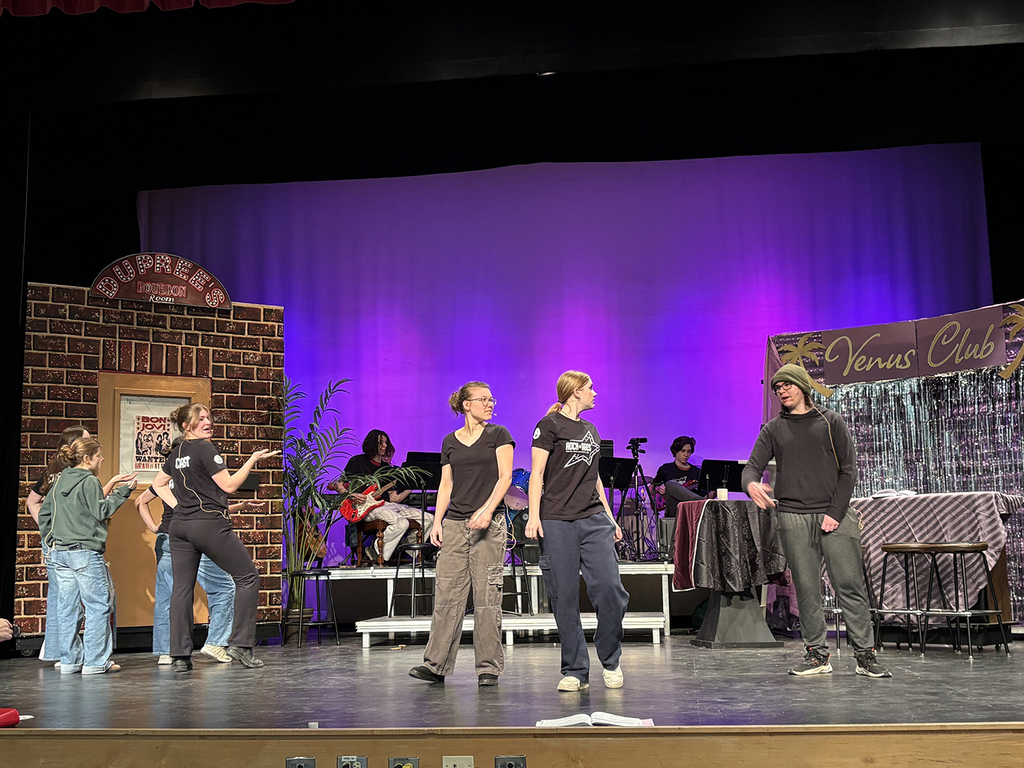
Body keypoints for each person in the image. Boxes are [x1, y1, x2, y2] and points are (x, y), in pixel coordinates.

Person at [741, 363, 890, 678]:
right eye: (777, 388)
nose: (782, 391)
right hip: (793, 516)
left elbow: (848, 469)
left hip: (834, 514)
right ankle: (817, 654)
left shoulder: (829, 421)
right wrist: (751, 484)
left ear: (802, 386)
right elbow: (752, 467)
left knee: (849, 584)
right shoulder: (773, 429)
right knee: (807, 588)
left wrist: (835, 513)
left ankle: (865, 655)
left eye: (787, 385)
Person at [151, 404, 278, 672]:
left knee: (181, 588)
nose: (208, 422)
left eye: (208, 418)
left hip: (179, 527)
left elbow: (158, 484)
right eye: (201, 419)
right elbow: (229, 485)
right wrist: (252, 460)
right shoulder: (205, 449)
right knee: (247, 577)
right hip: (208, 524)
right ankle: (241, 644)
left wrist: (179, 507)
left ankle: (180, 656)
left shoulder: (176, 453)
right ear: (186, 426)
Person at [526, 370, 629, 692]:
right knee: (565, 597)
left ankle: (610, 659)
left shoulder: (591, 430)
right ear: (575, 392)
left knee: (610, 590)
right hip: (557, 520)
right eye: (590, 388)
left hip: (593, 519)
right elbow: (536, 474)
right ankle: (575, 670)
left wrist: (610, 518)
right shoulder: (548, 426)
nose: (595, 393)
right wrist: (534, 515)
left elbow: (594, 478)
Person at [409, 382, 514, 687]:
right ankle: (436, 665)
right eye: (483, 399)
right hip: (455, 525)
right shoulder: (450, 441)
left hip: (489, 525)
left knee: (486, 597)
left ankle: (488, 668)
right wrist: (437, 522)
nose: (490, 404)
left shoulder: (499, 435)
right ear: (467, 404)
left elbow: (505, 477)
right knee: (447, 596)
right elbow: (446, 484)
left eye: (491, 399)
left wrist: (487, 510)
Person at [136, 454, 265, 665]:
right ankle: (216, 642)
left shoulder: (168, 480)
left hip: (168, 537)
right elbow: (206, 510)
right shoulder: (194, 479)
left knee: (169, 595)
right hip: (193, 538)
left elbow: (140, 501)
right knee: (224, 587)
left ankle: (167, 652)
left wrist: (154, 528)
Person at [26, 425, 133, 668]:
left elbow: (45, 512)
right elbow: (101, 511)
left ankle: (70, 661)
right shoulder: (89, 481)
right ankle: (95, 662)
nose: (101, 459)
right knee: (98, 605)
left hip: (60, 553)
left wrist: (51, 539)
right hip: (84, 553)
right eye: (98, 456)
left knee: (68, 607)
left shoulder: (60, 479)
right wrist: (123, 492)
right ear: (87, 458)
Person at [341, 430, 434, 563]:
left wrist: (413, 484)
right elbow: (338, 484)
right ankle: (375, 551)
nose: (384, 446)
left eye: (386, 442)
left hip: (385, 504)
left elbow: (394, 498)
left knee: (429, 519)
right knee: (401, 523)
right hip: (366, 507)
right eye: (381, 443)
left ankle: (405, 548)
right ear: (372, 443)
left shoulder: (388, 469)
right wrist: (351, 495)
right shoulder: (357, 461)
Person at [653, 435, 702, 516]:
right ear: (676, 451)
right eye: (683, 451)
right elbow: (651, 488)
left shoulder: (696, 472)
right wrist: (658, 489)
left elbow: (705, 495)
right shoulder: (666, 469)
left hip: (692, 512)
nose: (686, 454)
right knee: (670, 484)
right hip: (673, 512)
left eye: (689, 451)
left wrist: (716, 490)